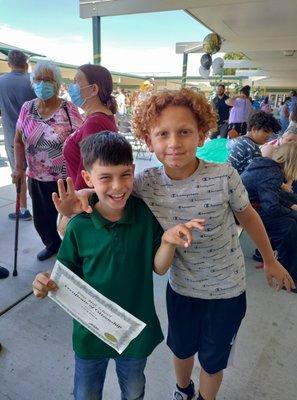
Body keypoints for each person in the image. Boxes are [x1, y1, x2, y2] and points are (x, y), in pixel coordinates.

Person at [54, 88, 294, 400]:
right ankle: (183, 390)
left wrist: (270, 259)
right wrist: (84, 198)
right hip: (182, 288)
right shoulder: (145, 183)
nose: (174, 143)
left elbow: (247, 217)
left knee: (212, 359)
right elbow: (109, 192)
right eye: (163, 134)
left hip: (227, 290)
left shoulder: (224, 176)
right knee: (180, 350)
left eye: (184, 132)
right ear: (149, 139)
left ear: (202, 135)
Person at [32, 132, 205, 400]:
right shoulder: (79, 227)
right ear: (88, 179)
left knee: (134, 391)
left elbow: (159, 268)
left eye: (125, 175)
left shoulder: (144, 216)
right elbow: (62, 277)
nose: (117, 186)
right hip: (90, 335)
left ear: (133, 170)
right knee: (85, 394)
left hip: (134, 333)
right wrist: (44, 283)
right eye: (105, 178)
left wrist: (168, 243)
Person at [12, 60, 83, 261]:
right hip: (35, 176)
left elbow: (83, 141)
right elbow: (18, 141)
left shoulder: (68, 109)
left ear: (57, 84)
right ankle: (52, 246)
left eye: (48, 80)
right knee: (42, 221)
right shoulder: (27, 108)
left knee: (67, 219)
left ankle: (70, 253)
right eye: (39, 79)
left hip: (63, 178)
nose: (43, 84)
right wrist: (19, 168)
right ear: (33, 82)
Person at [241, 143, 297, 292]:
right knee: (288, 226)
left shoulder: (266, 165)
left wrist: (295, 203)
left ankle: (264, 254)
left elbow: (274, 194)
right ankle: (288, 277)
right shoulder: (273, 173)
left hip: (250, 206)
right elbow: (272, 207)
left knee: (292, 219)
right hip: (244, 212)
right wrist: (294, 210)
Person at [64, 64, 118, 190]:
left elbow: (87, 176)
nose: (71, 87)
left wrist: (77, 204)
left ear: (93, 89)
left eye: (76, 82)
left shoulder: (95, 123)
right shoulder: (97, 118)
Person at [0, 50, 35, 220]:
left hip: (13, 136)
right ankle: (43, 206)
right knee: (38, 171)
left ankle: (23, 209)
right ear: (26, 64)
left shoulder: (1, 82)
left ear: (9, 64)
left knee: (18, 172)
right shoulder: (33, 81)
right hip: (35, 136)